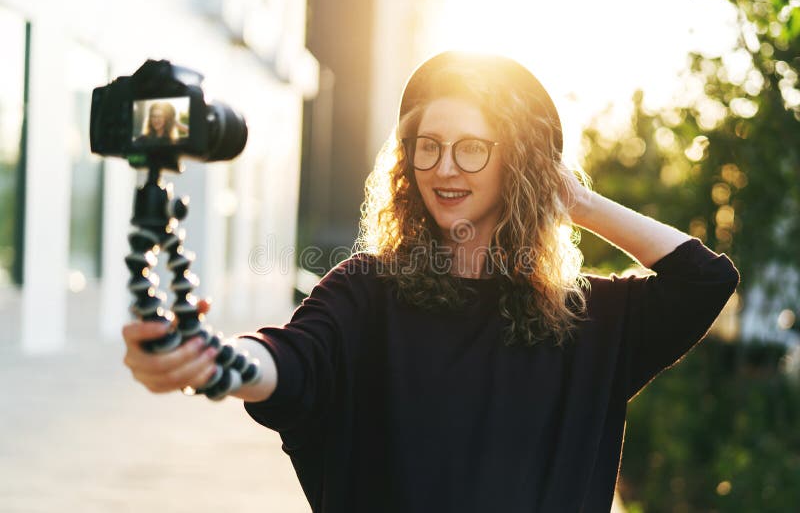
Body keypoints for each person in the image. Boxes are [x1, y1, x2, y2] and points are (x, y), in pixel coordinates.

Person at [122, 51, 740, 512]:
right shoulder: (367, 291)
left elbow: (702, 280)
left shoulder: (586, 319)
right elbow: (293, 362)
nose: (444, 168)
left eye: (473, 148)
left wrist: (573, 199)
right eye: (428, 146)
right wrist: (219, 362)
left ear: (517, 160)